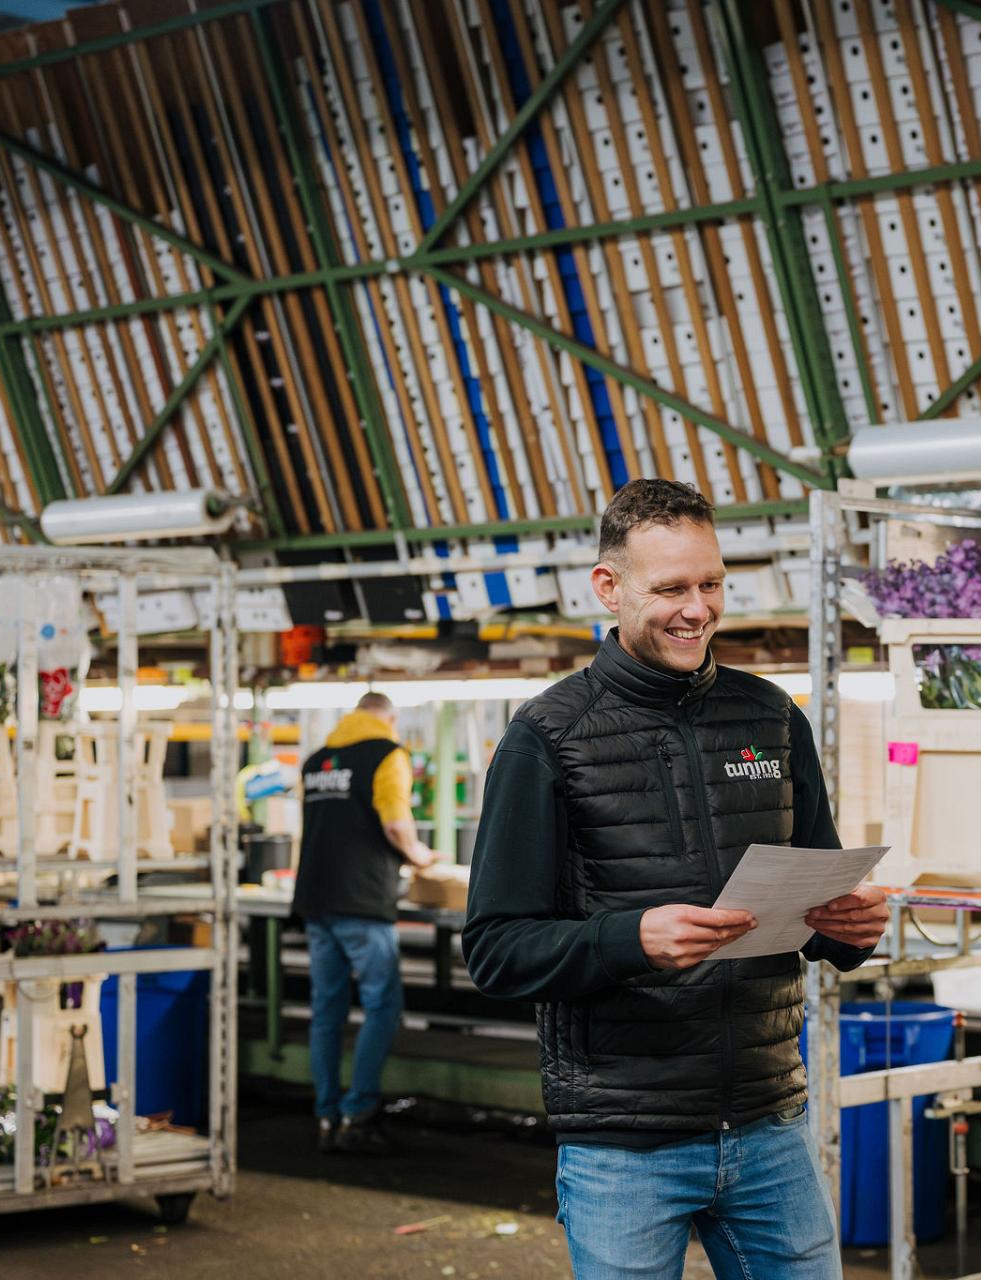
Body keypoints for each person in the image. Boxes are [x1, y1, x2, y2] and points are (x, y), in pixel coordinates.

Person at [462, 479, 888, 1280]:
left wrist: (850, 931)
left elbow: (817, 897)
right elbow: (495, 949)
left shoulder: (771, 717)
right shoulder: (548, 737)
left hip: (770, 1125)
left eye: (711, 583)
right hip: (624, 1144)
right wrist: (633, 939)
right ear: (608, 587)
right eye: (671, 589)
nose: (698, 609)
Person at [292, 690, 434, 1156]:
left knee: (327, 1009)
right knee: (382, 1005)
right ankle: (360, 1109)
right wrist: (419, 856)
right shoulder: (387, 754)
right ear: (389, 719)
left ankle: (327, 1112)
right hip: (362, 901)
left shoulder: (316, 760)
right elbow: (395, 822)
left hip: (316, 897)